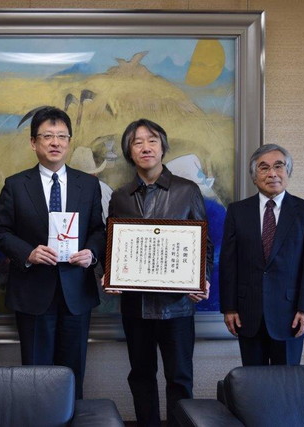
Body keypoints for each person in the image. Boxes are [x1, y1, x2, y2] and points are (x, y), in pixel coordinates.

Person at [0, 106, 105, 399]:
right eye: (47, 136)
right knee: (35, 374)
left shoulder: (88, 184)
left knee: (73, 374)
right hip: (33, 291)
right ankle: (36, 418)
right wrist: (28, 253)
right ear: (33, 142)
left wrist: (91, 254)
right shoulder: (16, 185)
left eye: (62, 136)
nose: (55, 142)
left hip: (76, 292)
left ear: (69, 142)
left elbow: (98, 230)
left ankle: (72, 418)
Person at [106, 119, 212, 427]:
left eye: (152, 140)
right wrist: (108, 273)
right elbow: (112, 243)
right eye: (137, 142)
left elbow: (204, 243)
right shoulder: (120, 196)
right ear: (129, 151)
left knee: (180, 376)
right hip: (135, 305)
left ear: (163, 147)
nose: (145, 147)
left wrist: (202, 277)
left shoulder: (187, 191)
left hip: (177, 305)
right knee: (141, 375)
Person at [219, 143, 304, 366]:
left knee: (286, 382)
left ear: (288, 172)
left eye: (279, 166)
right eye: (264, 167)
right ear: (254, 176)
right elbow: (229, 263)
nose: (272, 173)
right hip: (248, 314)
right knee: (253, 383)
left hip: (291, 315)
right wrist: (229, 307)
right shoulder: (237, 211)